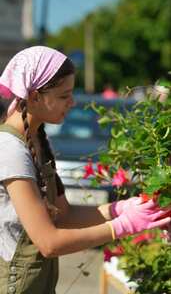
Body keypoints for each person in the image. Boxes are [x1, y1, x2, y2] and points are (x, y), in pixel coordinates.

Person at [0, 46, 170, 294]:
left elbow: (65, 215)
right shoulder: (11, 149)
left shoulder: (36, 138)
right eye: (63, 96)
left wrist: (119, 209)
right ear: (35, 96)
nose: (72, 102)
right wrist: (122, 226)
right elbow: (48, 243)